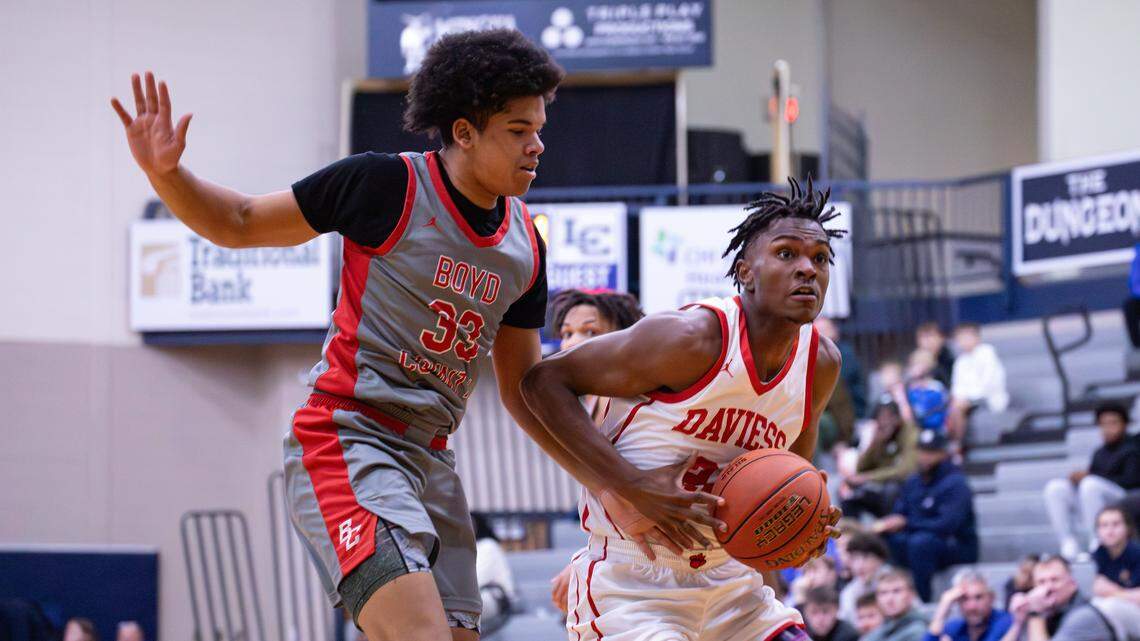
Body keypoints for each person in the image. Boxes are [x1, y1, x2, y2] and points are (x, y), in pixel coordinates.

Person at [111, 30, 685, 641]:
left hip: (431, 459)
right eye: (519, 130)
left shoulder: (525, 246)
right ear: (464, 131)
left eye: (539, 129)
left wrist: (613, 481)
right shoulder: (385, 185)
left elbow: (524, 391)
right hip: (349, 438)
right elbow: (240, 221)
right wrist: (167, 174)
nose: (537, 145)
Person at [521, 178, 845, 641]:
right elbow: (541, 382)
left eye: (821, 258)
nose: (807, 269)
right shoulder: (692, 338)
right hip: (635, 584)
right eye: (787, 253)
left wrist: (800, 527)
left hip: (732, 583)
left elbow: (789, 474)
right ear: (746, 272)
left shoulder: (821, 363)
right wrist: (631, 484)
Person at [545, 289, 645, 613]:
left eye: (590, 332)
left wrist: (587, 561)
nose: (574, 342)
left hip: (649, 558)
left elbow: (634, 503)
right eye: (567, 333)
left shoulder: (632, 400)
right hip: (625, 556)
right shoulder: (589, 404)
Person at [875, 430, 978, 602]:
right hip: (918, 539)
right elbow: (900, 511)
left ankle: (923, 600)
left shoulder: (956, 483)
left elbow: (947, 525)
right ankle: (889, 595)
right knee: (888, 539)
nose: (925, 457)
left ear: (943, 453)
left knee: (921, 543)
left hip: (955, 544)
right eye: (922, 451)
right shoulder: (913, 481)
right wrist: (890, 523)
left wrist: (907, 523)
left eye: (931, 452)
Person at [1043, 403, 1140, 560]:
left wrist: (1091, 477)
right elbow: (1093, 478)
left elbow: (1131, 481)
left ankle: (1097, 542)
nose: (1108, 428)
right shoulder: (1100, 452)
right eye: (1103, 424)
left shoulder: (1133, 447)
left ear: (1125, 424)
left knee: (1091, 485)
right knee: (1056, 488)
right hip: (1096, 499)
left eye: (1113, 423)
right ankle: (1068, 544)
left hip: (1124, 500)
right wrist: (1079, 480)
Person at [840, 394, 918, 520]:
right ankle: (851, 529)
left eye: (889, 416)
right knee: (848, 492)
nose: (885, 421)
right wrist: (876, 441)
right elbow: (861, 468)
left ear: (898, 417)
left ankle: (888, 529)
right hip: (878, 484)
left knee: (891, 489)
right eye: (881, 416)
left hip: (902, 488)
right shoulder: (879, 434)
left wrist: (868, 478)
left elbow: (905, 471)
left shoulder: (910, 433)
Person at [947, 323, 1009, 443]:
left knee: (956, 409)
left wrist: (967, 398)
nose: (964, 341)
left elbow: (989, 384)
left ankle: (956, 444)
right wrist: (960, 398)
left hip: (988, 399)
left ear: (977, 337)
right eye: (960, 338)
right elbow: (957, 386)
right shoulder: (960, 361)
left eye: (967, 337)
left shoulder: (987, 353)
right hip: (967, 401)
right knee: (948, 407)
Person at [924, 569, 1012, 641]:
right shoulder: (954, 628)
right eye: (964, 599)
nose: (972, 607)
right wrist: (942, 610)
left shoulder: (1007, 623)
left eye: (978, 597)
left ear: (992, 598)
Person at [471, 513, 515, 635]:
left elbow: (476, 580)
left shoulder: (488, 546)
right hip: (476, 598)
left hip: (495, 599)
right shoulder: (465, 550)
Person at [838, 531, 891, 622]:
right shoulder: (849, 593)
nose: (859, 566)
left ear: (880, 559)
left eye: (866, 557)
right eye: (854, 558)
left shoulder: (896, 583)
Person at [863, 569, 928, 641]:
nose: (889, 599)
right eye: (883, 593)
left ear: (911, 595)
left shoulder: (919, 629)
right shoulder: (883, 628)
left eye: (897, 591)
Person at [905, 350, 950, 434]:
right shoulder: (908, 387)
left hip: (937, 426)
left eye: (920, 364)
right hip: (917, 427)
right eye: (914, 364)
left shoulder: (936, 386)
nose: (916, 368)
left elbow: (942, 404)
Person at [916, 322, 956, 389]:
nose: (927, 341)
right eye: (923, 337)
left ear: (941, 338)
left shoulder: (951, 357)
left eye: (931, 336)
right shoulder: (915, 359)